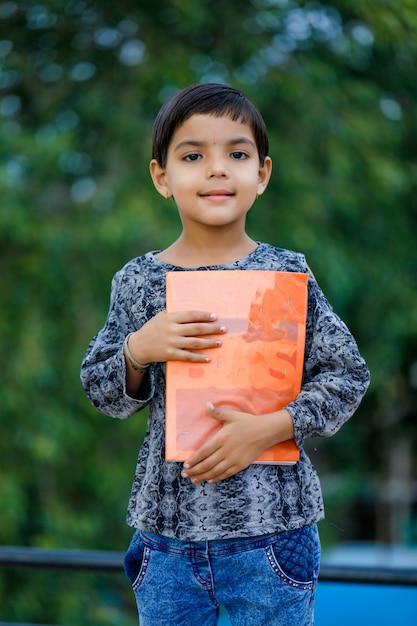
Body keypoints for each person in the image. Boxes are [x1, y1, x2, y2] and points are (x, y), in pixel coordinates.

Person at [80, 83, 370, 626]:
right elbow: (103, 393)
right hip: (166, 537)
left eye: (237, 154)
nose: (217, 170)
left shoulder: (288, 274)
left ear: (261, 174)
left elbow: (347, 376)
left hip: (273, 534)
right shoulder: (140, 282)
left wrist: (273, 426)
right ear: (161, 178)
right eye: (193, 156)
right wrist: (138, 351)